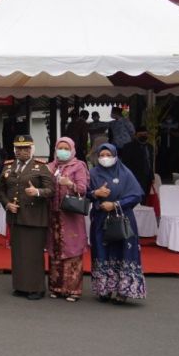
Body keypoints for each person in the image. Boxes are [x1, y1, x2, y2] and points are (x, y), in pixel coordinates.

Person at [0, 134, 55, 300]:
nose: (21, 151)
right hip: (15, 216)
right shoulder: (9, 166)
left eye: (25, 148)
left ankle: (36, 288)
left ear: (32, 149)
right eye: (18, 148)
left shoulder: (40, 167)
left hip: (34, 216)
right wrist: (7, 204)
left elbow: (51, 190)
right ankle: (21, 286)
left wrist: (37, 192)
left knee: (33, 254)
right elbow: (0, 189)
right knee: (18, 254)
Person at [88, 143, 147, 304]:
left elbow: (136, 195)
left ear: (115, 156)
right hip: (101, 220)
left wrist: (115, 204)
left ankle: (123, 291)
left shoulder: (125, 173)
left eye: (108, 155)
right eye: (102, 155)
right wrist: (96, 193)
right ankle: (104, 289)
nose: (105, 158)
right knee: (101, 251)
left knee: (123, 251)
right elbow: (83, 192)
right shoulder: (92, 173)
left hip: (122, 219)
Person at [46, 137, 90, 302]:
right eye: (60, 148)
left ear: (72, 150)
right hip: (54, 216)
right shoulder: (50, 166)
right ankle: (56, 288)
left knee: (72, 250)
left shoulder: (78, 166)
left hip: (71, 216)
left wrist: (70, 184)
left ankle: (73, 290)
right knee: (55, 250)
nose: (62, 151)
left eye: (66, 148)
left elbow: (83, 189)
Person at [121, 125, 155, 200]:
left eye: (145, 134)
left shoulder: (150, 147)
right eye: (140, 135)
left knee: (145, 198)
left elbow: (150, 163)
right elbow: (125, 164)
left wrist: (152, 176)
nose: (143, 136)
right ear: (135, 135)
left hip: (147, 178)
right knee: (135, 198)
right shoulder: (128, 147)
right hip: (134, 177)